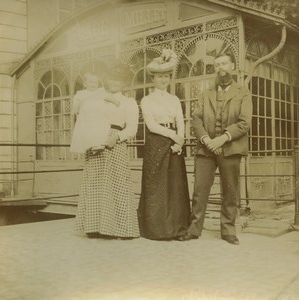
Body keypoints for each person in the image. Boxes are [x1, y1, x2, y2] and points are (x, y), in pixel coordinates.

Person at [178, 52, 252, 245]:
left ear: (233, 66)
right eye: (217, 65)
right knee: (200, 190)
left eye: (224, 64)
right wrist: (206, 140)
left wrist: (222, 139)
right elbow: (196, 120)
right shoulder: (205, 94)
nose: (220, 68)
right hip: (205, 149)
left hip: (231, 148)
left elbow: (244, 123)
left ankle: (228, 231)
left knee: (230, 191)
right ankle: (194, 230)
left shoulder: (243, 92)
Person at [75, 64, 140, 239]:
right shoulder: (97, 98)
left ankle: (121, 228)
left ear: (124, 82)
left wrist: (117, 138)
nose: (114, 82)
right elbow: (83, 116)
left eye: (118, 79)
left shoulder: (129, 102)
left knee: (118, 183)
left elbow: (132, 128)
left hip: (115, 141)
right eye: (111, 78)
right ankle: (95, 227)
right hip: (95, 140)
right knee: (95, 183)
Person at [138, 49, 191, 240]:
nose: (162, 80)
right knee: (157, 186)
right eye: (159, 77)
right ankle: (157, 230)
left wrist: (181, 141)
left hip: (175, 142)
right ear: (153, 79)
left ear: (169, 78)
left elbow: (180, 121)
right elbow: (152, 125)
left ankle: (178, 229)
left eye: (166, 76)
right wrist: (174, 137)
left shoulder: (174, 99)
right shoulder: (146, 100)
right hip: (156, 142)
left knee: (175, 186)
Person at [70, 72, 110, 154]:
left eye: (96, 82)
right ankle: (89, 146)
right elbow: (76, 103)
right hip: (86, 118)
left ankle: (99, 146)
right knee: (87, 133)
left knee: (99, 131)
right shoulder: (81, 94)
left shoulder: (101, 92)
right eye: (91, 82)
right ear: (85, 84)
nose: (94, 84)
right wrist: (75, 109)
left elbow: (109, 100)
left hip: (98, 117)